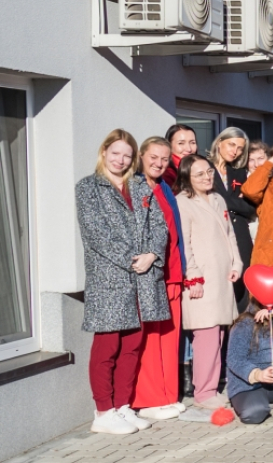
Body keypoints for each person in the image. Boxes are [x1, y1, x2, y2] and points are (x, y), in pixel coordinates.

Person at [77, 129, 170, 435]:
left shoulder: (140, 185)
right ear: (104, 152)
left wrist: (153, 254)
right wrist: (135, 259)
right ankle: (103, 412)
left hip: (143, 278)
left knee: (132, 345)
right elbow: (97, 234)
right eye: (115, 152)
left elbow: (160, 226)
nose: (120, 159)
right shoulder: (88, 188)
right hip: (111, 279)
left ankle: (122, 406)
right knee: (107, 347)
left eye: (127, 155)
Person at [175, 154, 243, 412]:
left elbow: (230, 235)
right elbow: (185, 243)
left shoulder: (217, 198)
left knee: (219, 333)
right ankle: (203, 392)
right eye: (199, 174)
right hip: (202, 278)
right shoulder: (183, 203)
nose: (206, 177)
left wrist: (237, 263)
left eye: (209, 172)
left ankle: (212, 388)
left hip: (222, 276)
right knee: (205, 334)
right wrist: (192, 276)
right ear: (187, 178)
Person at [131, 138, 186, 421]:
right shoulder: (135, 185)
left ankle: (167, 395)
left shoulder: (164, 186)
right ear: (141, 156)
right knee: (150, 339)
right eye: (153, 157)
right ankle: (149, 399)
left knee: (169, 337)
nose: (159, 163)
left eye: (165, 159)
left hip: (172, 271)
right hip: (152, 274)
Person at [206, 127, 256, 280]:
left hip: (240, 234)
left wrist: (220, 198)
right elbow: (206, 201)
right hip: (215, 232)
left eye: (240, 148)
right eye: (232, 145)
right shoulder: (204, 167)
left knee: (242, 284)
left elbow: (249, 207)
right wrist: (236, 202)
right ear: (220, 142)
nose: (235, 151)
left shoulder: (239, 172)